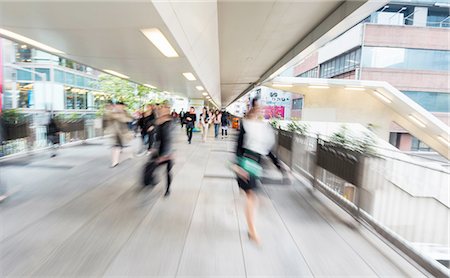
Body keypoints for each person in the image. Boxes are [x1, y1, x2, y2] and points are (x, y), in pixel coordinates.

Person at [231, 97, 278, 244]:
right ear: (253, 107)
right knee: (252, 197)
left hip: (256, 165)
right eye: (258, 107)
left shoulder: (263, 127)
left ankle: (251, 227)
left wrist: (279, 165)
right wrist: (238, 166)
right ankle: (252, 231)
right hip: (245, 163)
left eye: (262, 108)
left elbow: (268, 150)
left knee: (251, 196)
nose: (260, 110)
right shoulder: (245, 124)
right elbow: (238, 147)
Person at [143, 101, 173, 197]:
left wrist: (164, 155)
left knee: (167, 171)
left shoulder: (167, 123)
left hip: (166, 153)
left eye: (162, 109)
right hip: (158, 150)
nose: (160, 111)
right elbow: (153, 129)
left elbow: (168, 139)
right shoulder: (159, 121)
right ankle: (152, 181)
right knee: (150, 167)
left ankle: (167, 189)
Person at [104, 101, 133, 167]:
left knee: (119, 146)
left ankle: (118, 160)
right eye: (117, 105)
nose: (118, 107)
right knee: (116, 146)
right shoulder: (112, 112)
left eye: (120, 106)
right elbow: (108, 117)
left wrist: (122, 117)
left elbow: (129, 119)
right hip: (115, 132)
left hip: (123, 132)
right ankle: (115, 162)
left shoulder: (125, 112)